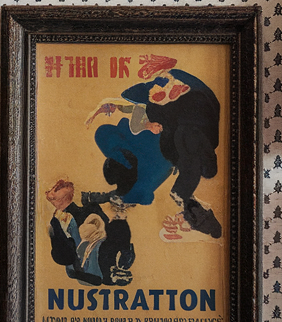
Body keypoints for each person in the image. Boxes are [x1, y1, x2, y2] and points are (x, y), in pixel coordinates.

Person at [83, 53, 222, 239]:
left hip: (180, 145)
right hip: (163, 149)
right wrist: (111, 107)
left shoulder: (184, 94)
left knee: (183, 145)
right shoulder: (154, 102)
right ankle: (188, 201)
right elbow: (133, 105)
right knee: (105, 132)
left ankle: (190, 201)